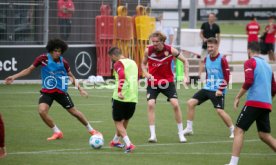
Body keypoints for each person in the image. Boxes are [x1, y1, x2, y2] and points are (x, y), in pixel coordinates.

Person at [5, 38, 101, 141]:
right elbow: (29, 69)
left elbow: (71, 76)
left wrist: (80, 89)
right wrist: (14, 77)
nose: (57, 53)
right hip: (47, 91)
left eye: (59, 51)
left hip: (61, 92)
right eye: (55, 50)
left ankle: (91, 130)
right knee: (42, 111)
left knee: (74, 112)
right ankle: (57, 132)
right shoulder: (43, 59)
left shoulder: (64, 62)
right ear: (50, 50)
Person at [225, 42, 276, 165]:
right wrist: (268, 100)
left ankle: (233, 163)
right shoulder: (268, 66)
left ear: (249, 51)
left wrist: (238, 97)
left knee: (238, 130)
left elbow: (249, 81)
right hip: (266, 104)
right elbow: (274, 88)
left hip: (254, 102)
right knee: (264, 135)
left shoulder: (250, 62)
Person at [141, 31, 189, 143]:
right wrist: (147, 74)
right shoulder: (148, 50)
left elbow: (185, 61)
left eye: (157, 42)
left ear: (162, 41)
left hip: (167, 82)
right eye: (153, 42)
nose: (154, 44)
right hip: (153, 82)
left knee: (175, 104)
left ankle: (181, 134)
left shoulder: (171, 50)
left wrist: (186, 76)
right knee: (150, 104)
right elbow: (143, 64)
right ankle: (153, 135)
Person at [183, 37, 235, 139]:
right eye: (208, 46)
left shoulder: (222, 60)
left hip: (217, 90)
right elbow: (208, 73)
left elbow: (227, 77)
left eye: (212, 46)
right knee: (190, 103)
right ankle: (189, 128)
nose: (210, 48)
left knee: (219, 111)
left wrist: (220, 89)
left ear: (216, 46)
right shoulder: (206, 58)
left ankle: (233, 130)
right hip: (207, 88)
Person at [108, 47, 138, 153]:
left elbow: (121, 75)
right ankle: (115, 141)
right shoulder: (133, 63)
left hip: (120, 97)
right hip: (133, 97)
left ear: (113, 56)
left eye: (111, 57)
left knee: (117, 122)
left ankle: (128, 144)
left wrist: (120, 90)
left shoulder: (118, 63)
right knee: (125, 120)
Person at [199, 13, 220, 79]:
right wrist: (203, 39)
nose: (211, 18)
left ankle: (213, 75)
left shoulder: (216, 26)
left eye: (213, 17)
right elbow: (201, 33)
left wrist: (217, 45)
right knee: (202, 60)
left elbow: (218, 37)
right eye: (210, 17)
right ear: (208, 18)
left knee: (213, 60)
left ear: (214, 18)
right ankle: (199, 75)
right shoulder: (204, 25)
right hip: (205, 46)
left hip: (213, 47)